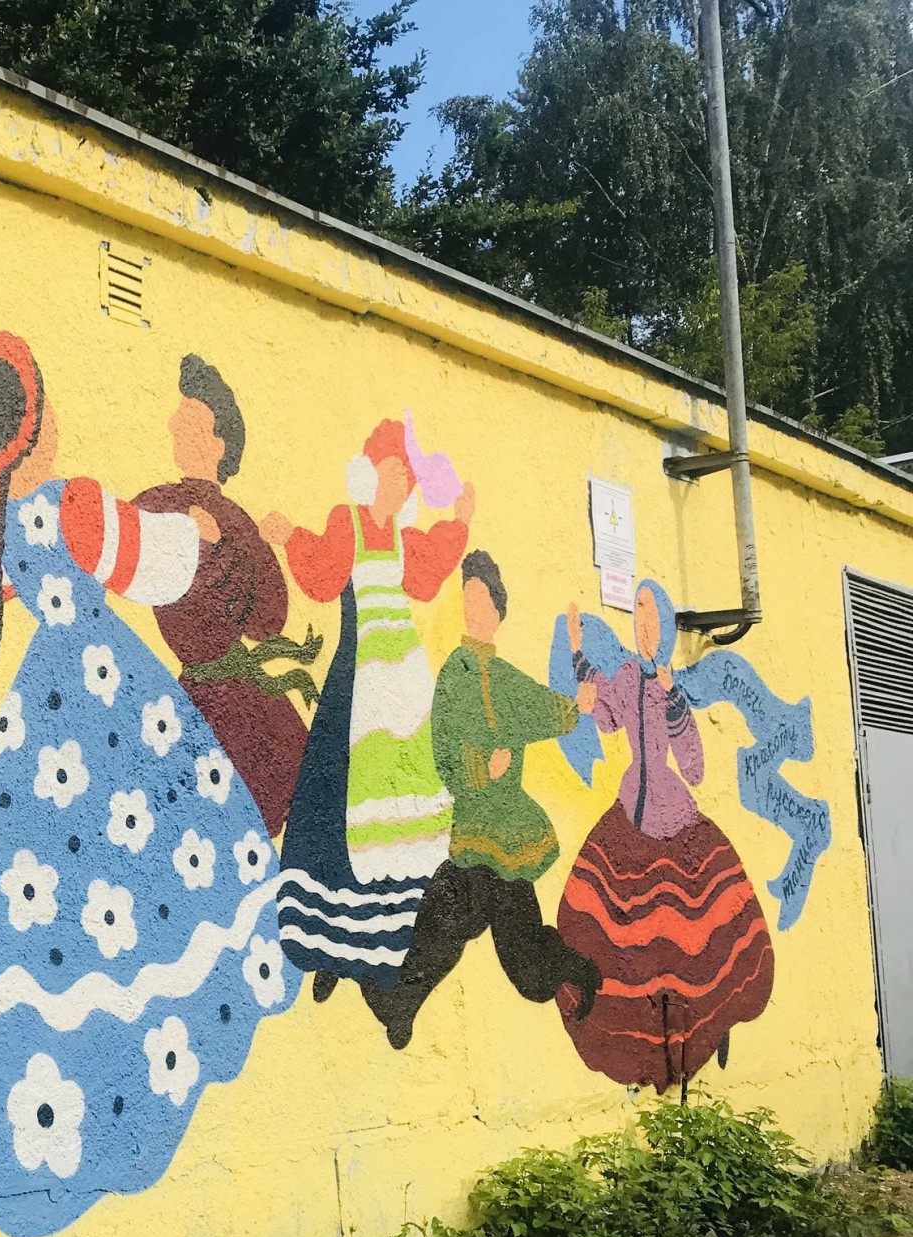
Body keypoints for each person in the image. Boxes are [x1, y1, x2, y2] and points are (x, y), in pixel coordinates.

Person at [0, 332, 299, 1237]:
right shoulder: (75, 510)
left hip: (38, 720)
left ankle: (33, 1100)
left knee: (44, 889)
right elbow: (163, 563)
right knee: (163, 848)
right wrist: (224, 533)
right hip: (110, 693)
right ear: (41, 427)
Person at [261, 416, 471, 998]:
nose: (398, 485)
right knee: (332, 800)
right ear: (373, 471)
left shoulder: (405, 541)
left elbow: (429, 572)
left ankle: (377, 951)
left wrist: (461, 521)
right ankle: (324, 946)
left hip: (401, 688)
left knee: (398, 817)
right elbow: (324, 573)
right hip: (356, 680)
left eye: (406, 478)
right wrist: (287, 537)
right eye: (392, 471)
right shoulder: (347, 522)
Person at [360, 553, 601, 1047]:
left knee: (522, 965)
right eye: (466, 598)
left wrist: (577, 701)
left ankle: (580, 972)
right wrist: (477, 767)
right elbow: (444, 744)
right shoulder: (457, 673)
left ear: (497, 609)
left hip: (508, 839)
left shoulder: (502, 675)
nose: (473, 608)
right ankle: (398, 1004)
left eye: (481, 599)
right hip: (474, 831)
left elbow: (542, 709)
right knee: (445, 922)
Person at [550, 584, 776, 1089]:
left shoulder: (672, 687)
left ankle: (708, 1026)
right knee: (605, 926)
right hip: (630, 810)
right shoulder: (628, 676)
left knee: (700, 933)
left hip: (676, 817)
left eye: (652, 614)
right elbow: (602, 712)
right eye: (638, 613)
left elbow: (694, 767)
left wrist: (674, 697)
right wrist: (576, 651)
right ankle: (640, 1050)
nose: (643, 623)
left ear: (669, 626)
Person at [129, 356, 313, 836]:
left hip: (238, 695)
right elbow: (115, 541)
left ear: (217, 443)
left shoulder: (235, 521)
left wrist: (226, 546)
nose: (172, 424)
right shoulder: (159, 503)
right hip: (194, 690)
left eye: (188, 419)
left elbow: (270, 617)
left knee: (238, 822)